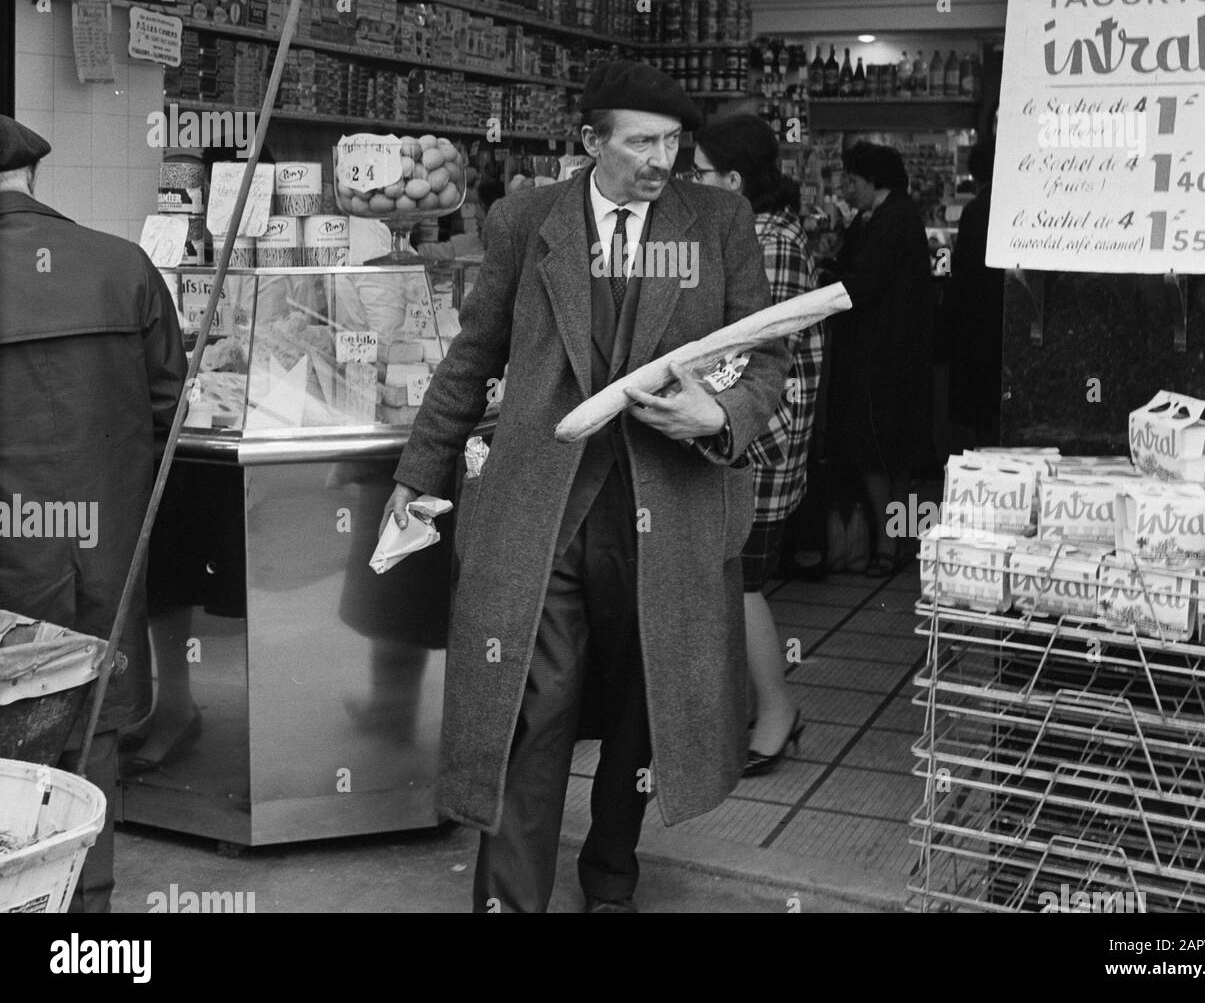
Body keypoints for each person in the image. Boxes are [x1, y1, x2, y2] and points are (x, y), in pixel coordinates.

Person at [383, 60, 789, 913]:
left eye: (674, 142)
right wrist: (418, 475)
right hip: (543, 505)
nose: (661, 160)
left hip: (667, 501)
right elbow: (474, 353)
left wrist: (719, 416)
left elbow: (763, 357)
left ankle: (611, 875)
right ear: (590, 142)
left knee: (646, 701)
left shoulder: (717, 221)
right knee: (532, 706)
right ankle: (510, 901)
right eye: (641, 141)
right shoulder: (527, 219)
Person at [0, 114, 186, 911]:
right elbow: (171, 411)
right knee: (93, 727)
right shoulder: (126, 265)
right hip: (103, 547)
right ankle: (86, 911)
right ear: (33, 179)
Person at [691, 116, 822, 776]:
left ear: (733, 181)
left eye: (701, 173)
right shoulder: (756, 233)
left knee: (739, 581)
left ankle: (776, 711)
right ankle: (751, 708)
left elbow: (742, 351)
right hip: (746, 431)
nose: (689, 183)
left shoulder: (768, 242)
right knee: (727, 579)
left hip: (758, 436)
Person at [823, 141, 934, 576]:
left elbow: (862, 285)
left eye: (852, 180)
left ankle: (888, 545)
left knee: (872, 448)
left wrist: (827, 279)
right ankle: (901, 539)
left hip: (878, 355)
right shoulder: (894, 215)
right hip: (900, 354)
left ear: (874, 181)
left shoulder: (890, 221)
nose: (847, 189)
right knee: (899, 453)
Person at [948, 139, 1004, 446]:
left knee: (978, 408)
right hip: (1008, 317)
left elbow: (961, 269)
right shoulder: (1013, 205)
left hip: (976, 320)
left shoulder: (976, 210)